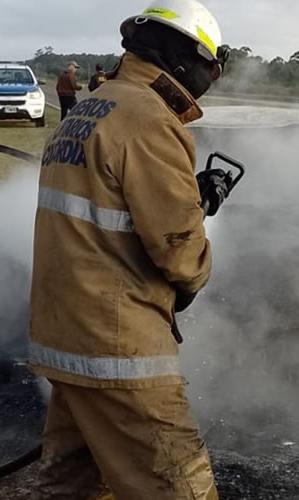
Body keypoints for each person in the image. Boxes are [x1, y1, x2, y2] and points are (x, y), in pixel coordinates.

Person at [30, 1, 229, 498]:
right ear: (183, 60)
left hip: (65, 336)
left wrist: (189, 198)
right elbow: (179, 253)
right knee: (180, 485)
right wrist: (199, 261)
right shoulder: (150, 119)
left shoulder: (90, 110)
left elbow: (108, 217)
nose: (213, 75)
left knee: (70, 485)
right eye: (211, 64)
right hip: (119, 351)